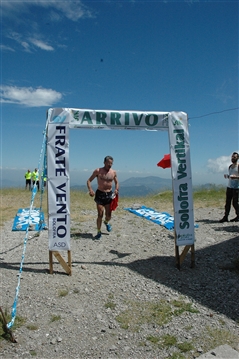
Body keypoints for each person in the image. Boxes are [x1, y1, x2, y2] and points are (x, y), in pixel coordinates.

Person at [87, 156, 119, 239]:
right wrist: (90, 190)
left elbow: (116, 182)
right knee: (100, 214)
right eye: (108, 163)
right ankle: (98, 231)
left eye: (111, 163)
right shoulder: (98, 171)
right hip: (100, 194)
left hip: (109, 194)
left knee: (108, 215)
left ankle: (106, 222)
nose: (110, 164)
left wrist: (116, 189)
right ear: (104, 162)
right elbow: (89, 181)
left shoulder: (113, 172)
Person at [219, 152, 239, 223]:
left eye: (234, 157)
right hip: (229, 186)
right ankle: (226, 216)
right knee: (227, 202)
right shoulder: (230, 166)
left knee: (235, 203)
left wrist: (235, 177)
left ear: (237, 158)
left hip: (236, 187)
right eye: (232, 157)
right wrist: (228, 176)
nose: (233, 158)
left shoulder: (238, 166)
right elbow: (231, 175)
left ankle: (238, 216)